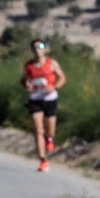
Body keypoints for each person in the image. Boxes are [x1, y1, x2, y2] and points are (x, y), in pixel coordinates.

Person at [22, 38, 67, 171]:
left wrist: (54, 87)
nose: (37, 49)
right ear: (32, 50)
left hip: (50, 98)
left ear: (45, 49)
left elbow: (63, 78)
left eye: (40, 46)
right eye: (34, 47)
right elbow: (23, 80)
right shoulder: (28, 66)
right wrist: (26, 85)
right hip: (35, 99)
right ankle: (43, 160)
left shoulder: (52, 63)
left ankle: (50, 138)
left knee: (50, 128)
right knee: (38, 130)